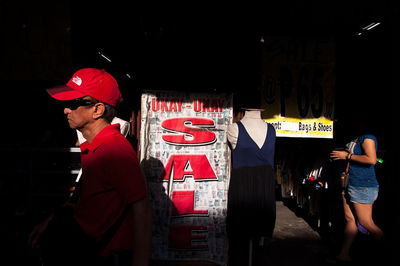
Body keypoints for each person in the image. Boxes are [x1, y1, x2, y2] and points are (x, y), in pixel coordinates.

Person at [28, 68, 152, 266]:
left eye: (73, 103)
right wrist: (50, 222)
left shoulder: (114, 149)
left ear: (98, 110)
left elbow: (142, 209)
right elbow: (83, 198)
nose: (65, 110)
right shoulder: (94, 146)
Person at [226, 108, 276, 266]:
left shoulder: (270, 129)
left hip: (251, 184)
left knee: (254, 235)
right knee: (243, 235)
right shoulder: (234, 128)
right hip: (251, 184)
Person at [330, 133, 384, 263]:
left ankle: (387, 252)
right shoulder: (355, 138)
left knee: (366, 222)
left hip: (362, 184)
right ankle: (344, 254)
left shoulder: (367, 137)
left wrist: (347, 156)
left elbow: (371, 159)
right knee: (350, 219)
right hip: (351, 183)